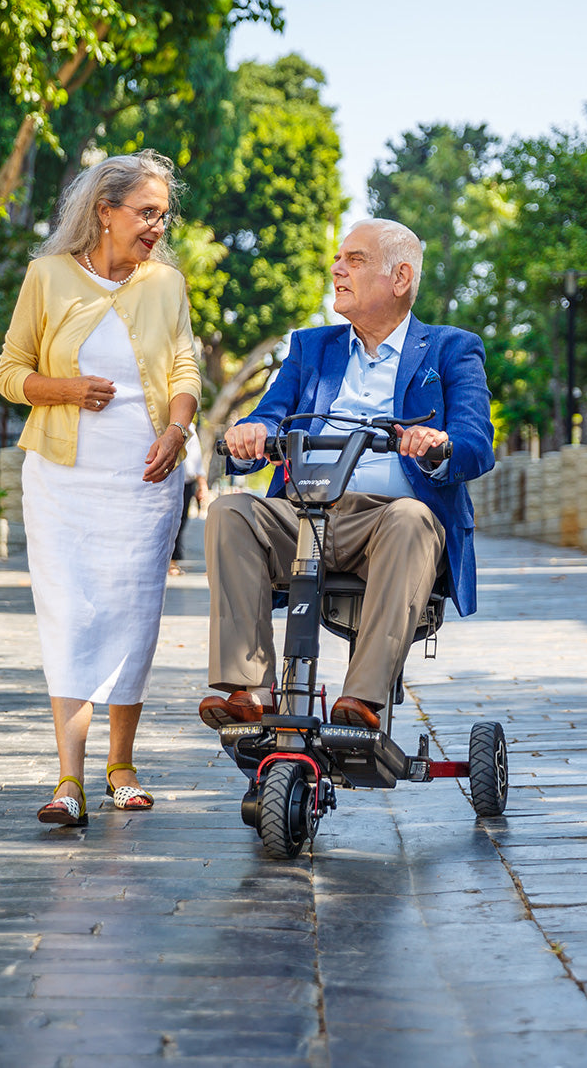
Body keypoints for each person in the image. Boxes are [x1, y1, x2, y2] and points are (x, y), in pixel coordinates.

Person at [198, 218, 495, 731]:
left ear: (400, 278)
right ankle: (250, 687)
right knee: (230, 512)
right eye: (338, 259)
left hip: (390, 524)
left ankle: (362, 700)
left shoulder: (450, 349)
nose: (337, 269)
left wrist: (437, 446)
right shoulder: (314, 349)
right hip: (305, 514)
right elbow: (270, 416)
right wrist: (250, 434)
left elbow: (476, 444)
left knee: (410, 518)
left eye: (354, 260)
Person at [0, 149, 201, 826]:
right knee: (70, 614)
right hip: (60, 479)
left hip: (143, 482)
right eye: (145, 213)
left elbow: (182, 366)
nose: (155, 227)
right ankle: (67, 779)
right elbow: (9, 372)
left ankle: (121, 764)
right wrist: (63, 389)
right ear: (104, 211)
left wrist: (176, 431)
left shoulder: (165, 284)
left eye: (161, 216)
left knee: (131, 614)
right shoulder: (46, 276)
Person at [169, 432, 208, 576]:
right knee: (169, 520)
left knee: (180, 521)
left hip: (186, 481)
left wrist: (202, 485)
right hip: (166, 477)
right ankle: (169, 560)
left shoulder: (189, 427)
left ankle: (173, 560)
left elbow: (196, 460)